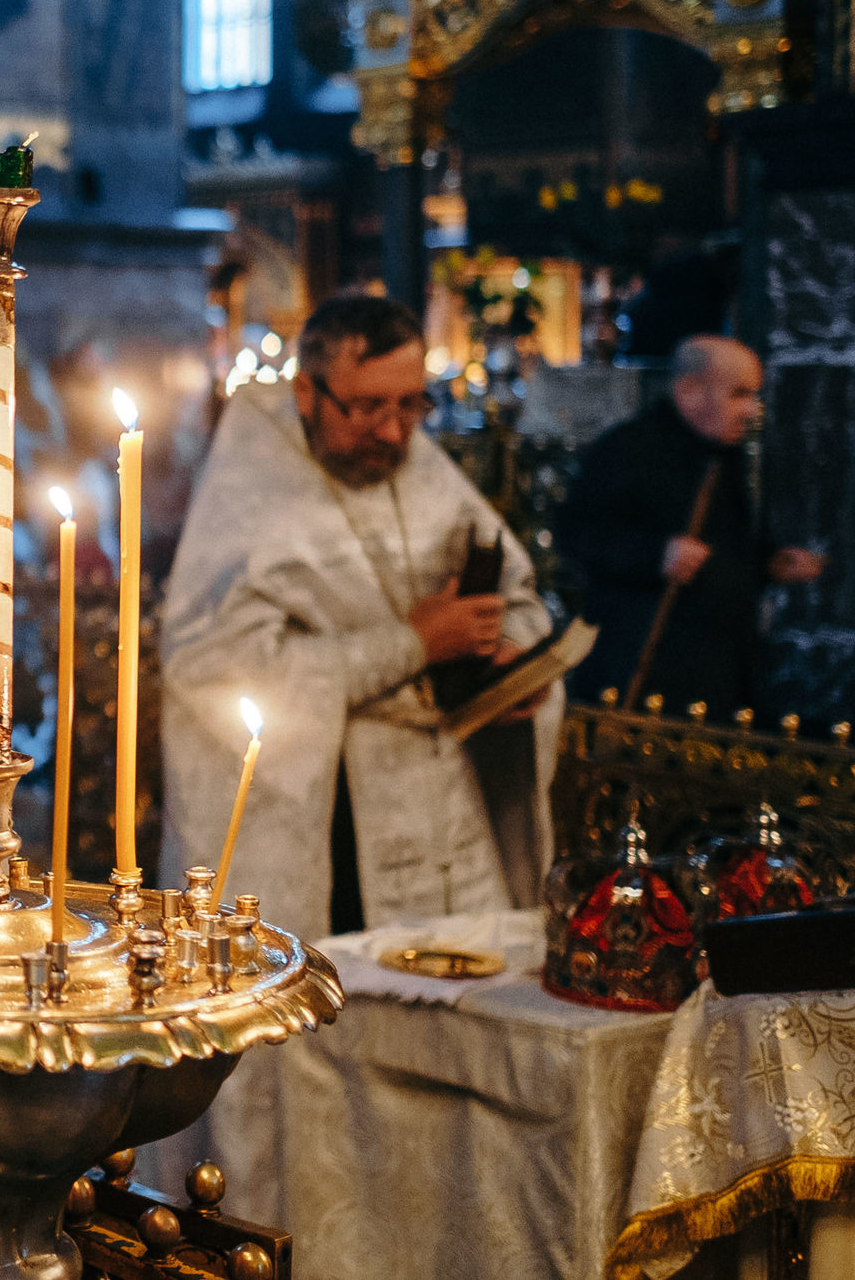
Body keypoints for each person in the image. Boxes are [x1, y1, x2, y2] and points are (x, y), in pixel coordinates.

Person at [154, 291, 559, 1227]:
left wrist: (513, 657)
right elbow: (214, 670)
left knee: (445, 1077)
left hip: (439, 816)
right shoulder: (251, 486)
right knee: (319, 1090)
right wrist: (414, 642)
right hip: (319, 837)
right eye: (366, 406)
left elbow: (520, 593)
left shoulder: (423, 469)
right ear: (308, 391)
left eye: (410, 404)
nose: (391, 430)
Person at [558, 335, 824, 714]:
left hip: (722, 668)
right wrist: (655, 555)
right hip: (646, 667)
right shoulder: (627, 450)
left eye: (754, 395)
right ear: (690, 391)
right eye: (739, 394)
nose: (751, 410)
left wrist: (768, 563)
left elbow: (727, 544)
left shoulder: (728, 457)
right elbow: (578, 537)